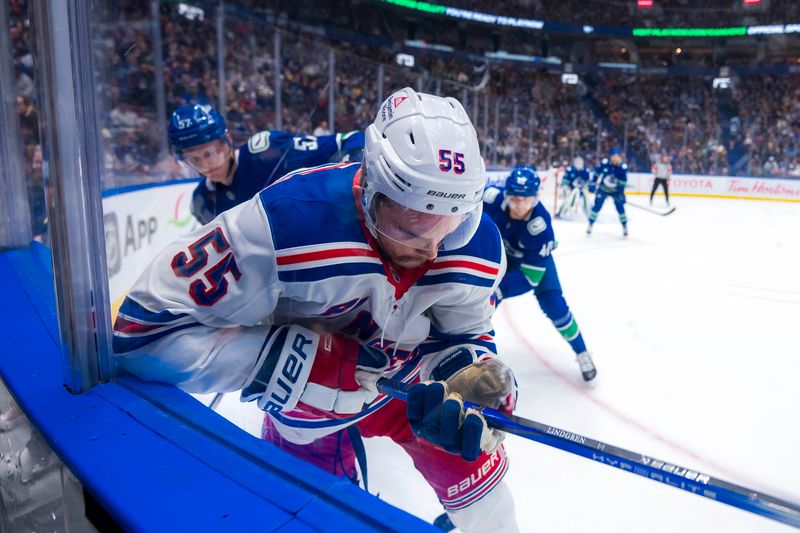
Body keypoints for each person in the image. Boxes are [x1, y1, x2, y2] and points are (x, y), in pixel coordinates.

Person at [114, 88, 520, 533]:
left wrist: (474, 373)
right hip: (309, 411)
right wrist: (281, 366)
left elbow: (468, 334)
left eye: (452, 222)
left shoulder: (478, 244)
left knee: (493, 516)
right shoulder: (284, 223)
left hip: (418, 397)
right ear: (372, 185)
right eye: (413, 224)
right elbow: (140, 331)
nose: (431, 249)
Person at [484, 167, 597, 382]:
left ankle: (582, 353)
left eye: (525, 200)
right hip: (501, 258)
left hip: (532, 265)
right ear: (506, 194)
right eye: (514, 199)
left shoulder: (541, 227)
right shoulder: (490, 199)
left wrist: (499, 290)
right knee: (479, 304)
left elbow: (529, 277)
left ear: (535, 199)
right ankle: (467, 347)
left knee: (556, 307)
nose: (519, 206)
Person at [168, 103, 365, 225]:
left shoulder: (265, 152)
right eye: (194, 159)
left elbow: (349, 140)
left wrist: (351, 171)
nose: (205, 165)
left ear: (226, 141)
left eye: (210, 153)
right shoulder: (202, 201)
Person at [587, 147, 628, 237]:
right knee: (596, 207)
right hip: (603, 189)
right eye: (613, 156)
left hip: (616, 191)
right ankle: (590, 224)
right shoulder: (605, 164)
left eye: (617, 156)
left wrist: (621, 193)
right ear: (611, 156)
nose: (615, 158)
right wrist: (593, 184)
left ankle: (624, 226)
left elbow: (623, 182)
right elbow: (596, 174)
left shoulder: (622, 167)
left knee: (620, 208)